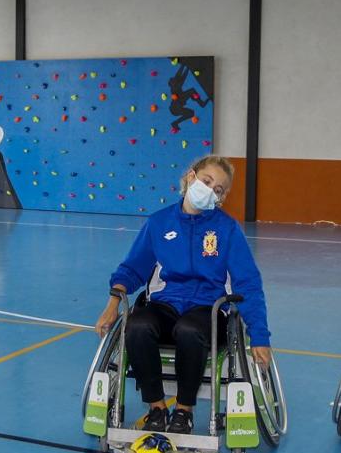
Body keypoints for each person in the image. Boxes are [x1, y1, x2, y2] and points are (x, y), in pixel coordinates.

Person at [94, 155, 272, 435]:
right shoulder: (159, 223)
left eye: (219, 189)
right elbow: (131, 270)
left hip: (208, 309)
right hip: (165, 303)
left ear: (222, 198)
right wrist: (113, 303)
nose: (211, 190)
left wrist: (260, 336)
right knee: (137, 326)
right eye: (207, 181)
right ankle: (156, 407)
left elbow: (248, 284)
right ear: (191, 177)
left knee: (190, 330)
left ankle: (184, 411)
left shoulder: (226, 229)